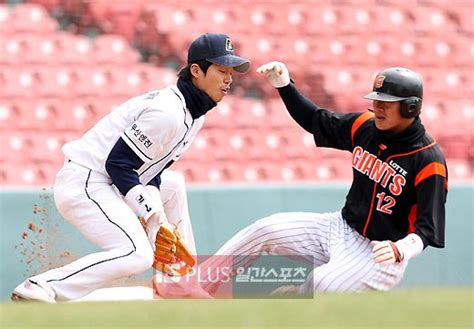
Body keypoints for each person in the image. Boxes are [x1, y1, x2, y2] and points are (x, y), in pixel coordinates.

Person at [11, 33, 250, 302]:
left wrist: (156, 217)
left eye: (231, 72)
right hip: (86, 182)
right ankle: (41, 286)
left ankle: (179, 284)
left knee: (174, 185)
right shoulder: (168, 112)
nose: (229, 78)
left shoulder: (194, 114)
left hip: (106, 182)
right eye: (221, 70)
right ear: (196, 70)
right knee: (137, 254)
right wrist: (152, 216)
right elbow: (118, 165)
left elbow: (151, 173)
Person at [200, 62, 447, 295]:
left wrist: (401, 249)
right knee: (265, 229)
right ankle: (196, 285)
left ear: (410, 107)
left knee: (322, 284)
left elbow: (427, 229)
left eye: (387, 102)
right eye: (377, 99)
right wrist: (286, 87)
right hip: (339, 228)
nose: (378, 107)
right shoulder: (365, 126)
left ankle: (297, 298)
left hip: (380, 255)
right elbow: (315, 120)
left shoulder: (428, 160)